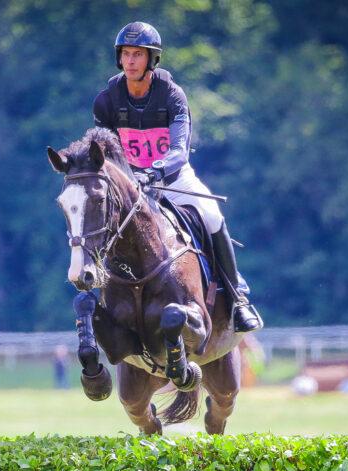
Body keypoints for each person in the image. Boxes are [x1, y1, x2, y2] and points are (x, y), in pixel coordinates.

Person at [92, 21, 264, 333]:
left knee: (212, 216)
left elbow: (178, 150)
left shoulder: (172, 95)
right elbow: (105, 151)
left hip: (172, 179)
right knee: (96, 218)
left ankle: (237, 299)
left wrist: (153, 172)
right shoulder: (106, 101)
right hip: (132, 187)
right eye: (126, 54)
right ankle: (98, 290)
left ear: (151, 60)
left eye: (138, 55)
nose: (130, 61)